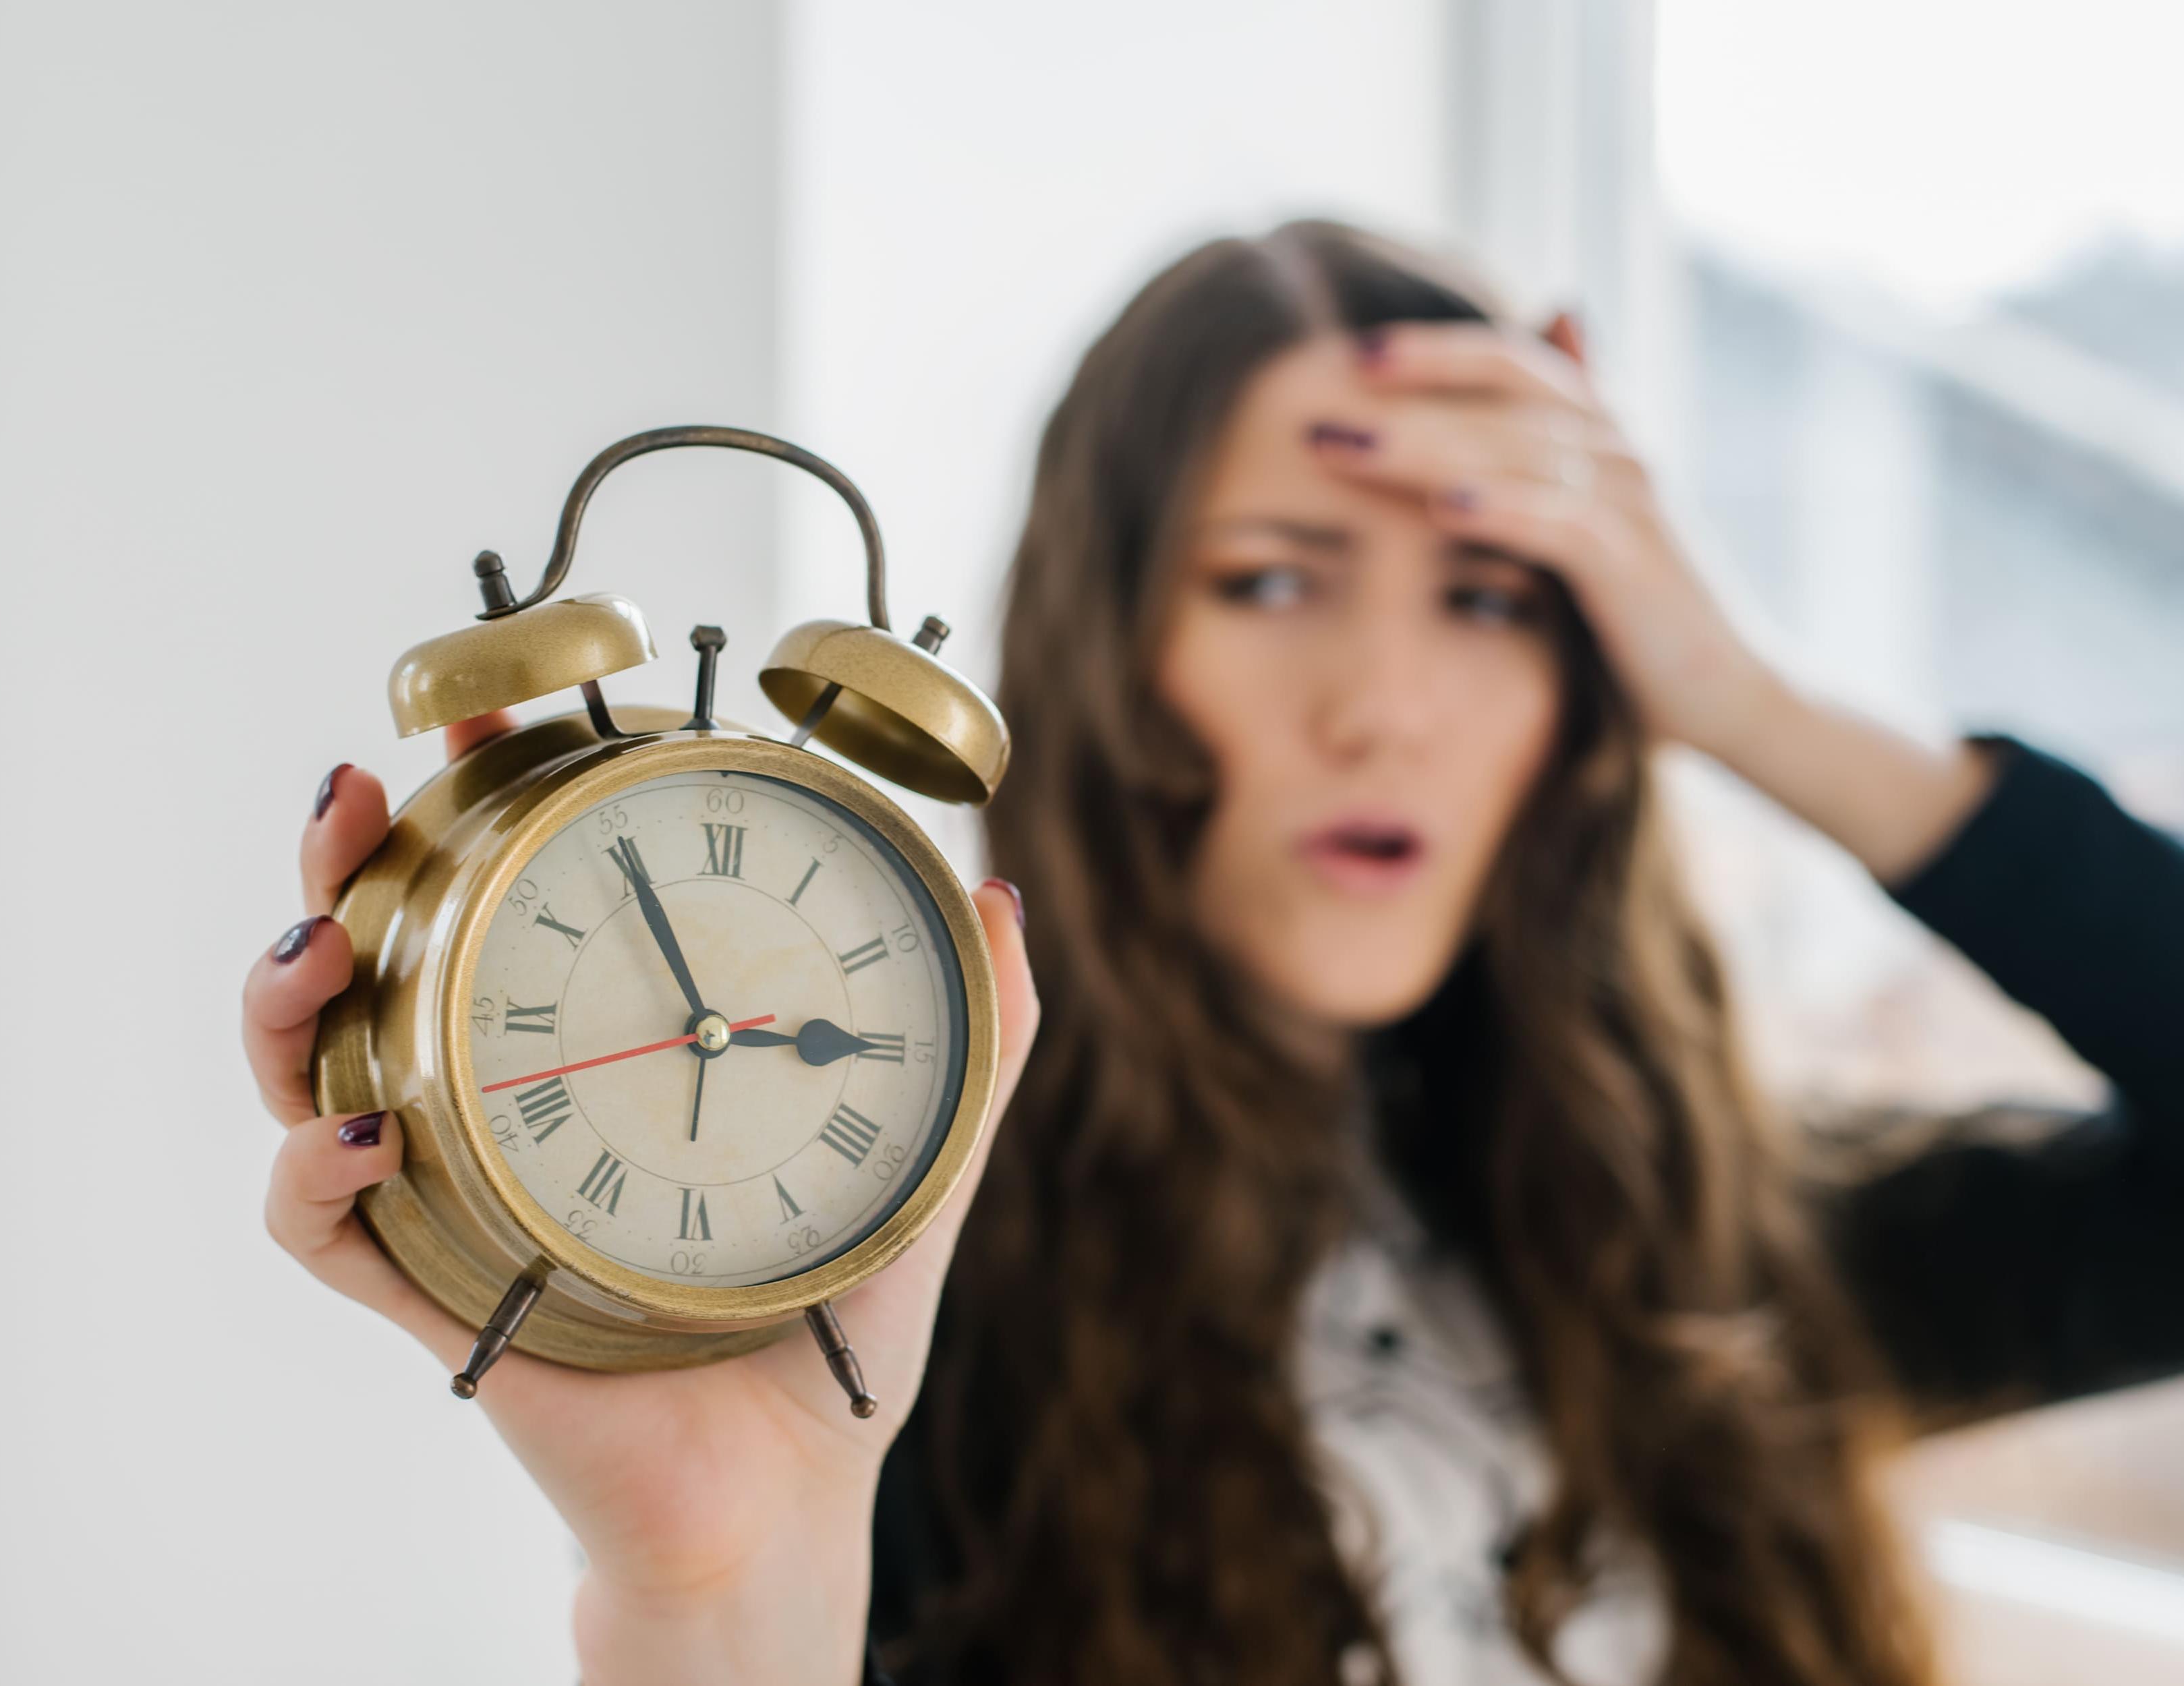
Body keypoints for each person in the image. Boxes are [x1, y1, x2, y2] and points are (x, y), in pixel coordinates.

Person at [241, 220, 2184, 1686]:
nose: (1389, 704)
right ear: (1111, 653)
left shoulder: (1712, 1260)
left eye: (1495, 595)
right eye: (1273, 577)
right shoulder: (879, 1298)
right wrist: (707, 1585)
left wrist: (1756, 706)